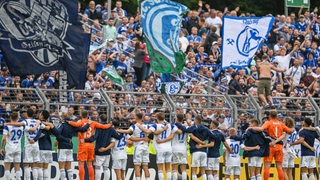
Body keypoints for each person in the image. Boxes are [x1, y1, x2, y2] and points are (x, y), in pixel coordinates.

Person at [249, 109, 293, 180]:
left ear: (269, 115)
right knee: (279, 166)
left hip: (270, 145)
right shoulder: (281, 123)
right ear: (276, 115)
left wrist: (251, 128)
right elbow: (290, 131)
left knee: (267, 165)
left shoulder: (268, 122)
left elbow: (261, 129)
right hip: (279, 146)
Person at [68, 110, 112, 180]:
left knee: (81, 164)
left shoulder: (80, 122)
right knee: (90, 164)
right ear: (88, 115)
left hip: (82, 144)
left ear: (81, 115)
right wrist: (110, 124)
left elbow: (75, 125)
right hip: (91, 145)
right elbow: (103, 127)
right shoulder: (93, 122)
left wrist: (69, 122)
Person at [138, 112, 178, 180]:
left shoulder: (155, 126)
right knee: (168, 168)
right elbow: (174, 134)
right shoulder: (170, 125)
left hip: (160, 148)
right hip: (169, 148)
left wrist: (140, 126)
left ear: (156, 118)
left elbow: (148, 132)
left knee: (160, 169)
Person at [84, 114, 123, 180]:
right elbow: (118, 137)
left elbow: (94, 137)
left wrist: (86, 140)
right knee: (106, 168)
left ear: (100, 119)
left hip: (99, 150)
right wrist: (122, 132)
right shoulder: (110, 128)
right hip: (107, 151)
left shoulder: (99, 127)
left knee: (98, 168)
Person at [55, 112, 90, 180]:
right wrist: (88, 124)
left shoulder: (62, 125)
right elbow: (83, 129)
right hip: (70, 147)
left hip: (62, 146)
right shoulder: (73, 126)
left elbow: (57, 133)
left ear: (62, 118)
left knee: (61, 166)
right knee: (69, 166)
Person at [117, 113, 151, 180]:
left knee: (137, 166)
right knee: (145, 166)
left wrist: (118, 130)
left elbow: (128, 132)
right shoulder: (147, 126)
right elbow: (150, 136)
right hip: (146, 146)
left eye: (135, 116)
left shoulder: (134, 126)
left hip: (138, 147)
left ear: (137, 117)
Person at [0, 112, 24, 180]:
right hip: (18, 148)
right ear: (17, 118)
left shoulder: (7, 127)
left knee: (7, 167)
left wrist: (1, 147)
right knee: (17, 167)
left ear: (10, 118)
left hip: (9, 148)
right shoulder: (21, 126)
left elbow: (4, 138)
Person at [172, 114, 189, 180]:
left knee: (174, 168)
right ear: (183, 119)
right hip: (183, 149)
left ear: (176, 118)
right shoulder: (187, 128)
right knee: (183, 169)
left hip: (175, 148)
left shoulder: (174, 127)